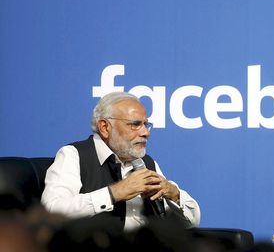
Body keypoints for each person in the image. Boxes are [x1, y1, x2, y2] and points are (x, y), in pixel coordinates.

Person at [42, 92, 200, 231]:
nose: (145, 132)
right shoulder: (74, 155)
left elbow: (191, 223)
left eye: (146, 124)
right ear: (105, 127)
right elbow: (51, 213)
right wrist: (114, 193)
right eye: (135, 124)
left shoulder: (146, 163)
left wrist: (174, 194)